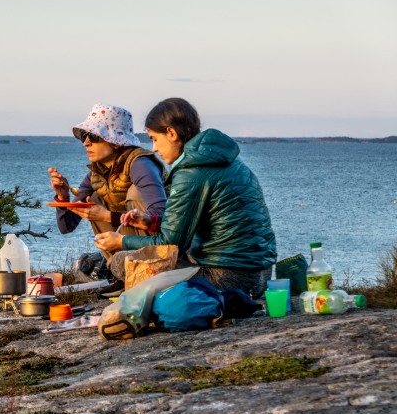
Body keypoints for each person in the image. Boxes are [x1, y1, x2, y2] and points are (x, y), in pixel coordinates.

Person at [94, 98, 276, 298]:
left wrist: (122, 241)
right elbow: (191, 224)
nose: (154, 148)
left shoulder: (191, 172)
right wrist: (151, 221)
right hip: (262, 275)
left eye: (154, 139)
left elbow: (170, 244)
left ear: (171, 133)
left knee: (120, 261)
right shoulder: (226, 161)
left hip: (226, 278)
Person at [48, 103, 167, 279]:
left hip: (162, 249)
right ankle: (121, 273)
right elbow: (67, 227)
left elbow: (163, 218)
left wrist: (106, 216)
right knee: (95, 198)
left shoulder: (140, 164)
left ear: (116, 141)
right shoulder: (96, 174)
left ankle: (150, 269)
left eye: (94, 136)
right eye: (84, 136)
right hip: (128, 252)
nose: (86, 142)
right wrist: (62, 196)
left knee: (134, 192)